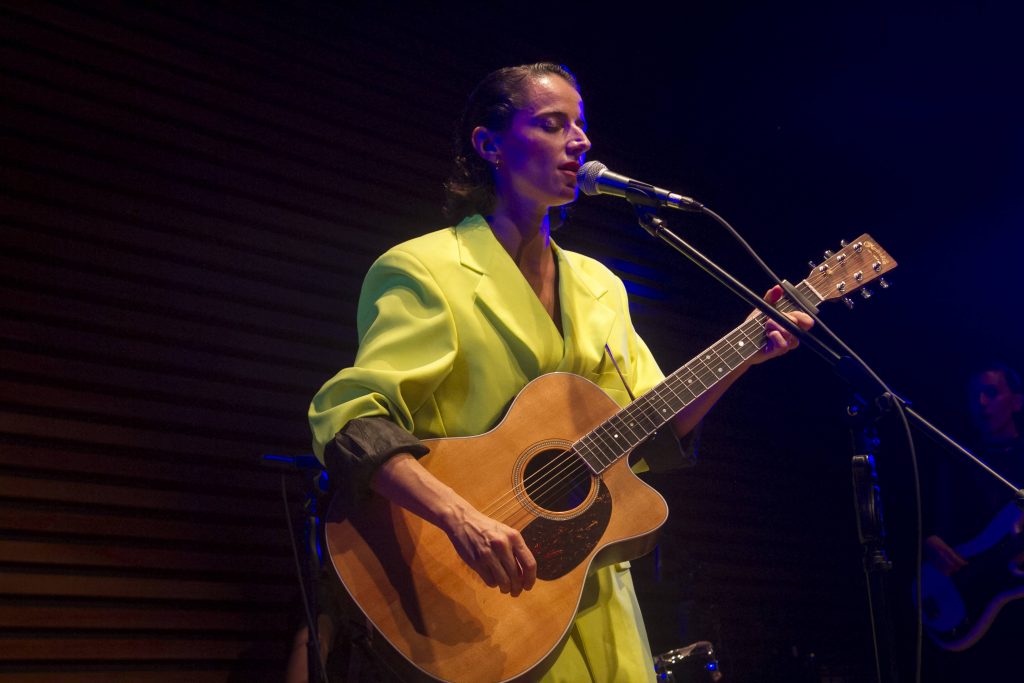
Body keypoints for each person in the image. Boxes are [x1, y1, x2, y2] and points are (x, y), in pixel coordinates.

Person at [306, 62, 813, 682]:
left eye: (580, 124)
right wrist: (461, 518)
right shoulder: (425, 269)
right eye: (552, 124)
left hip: (591, 588)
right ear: (489, 145)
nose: (580, 141)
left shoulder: (601, 286)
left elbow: (653, 426)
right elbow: (352, 421)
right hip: (477, 580)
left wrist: (746, 353)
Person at [921, 361, 1024, 681]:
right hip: (964, 599)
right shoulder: (957, 458)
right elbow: (931, 518)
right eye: (974, 396)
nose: (981, 403)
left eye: (991, 393)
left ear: (1017, 402)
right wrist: (927, 540)